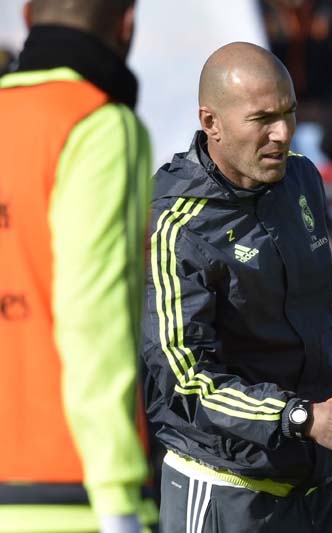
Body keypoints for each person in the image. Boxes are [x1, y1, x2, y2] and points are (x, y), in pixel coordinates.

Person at [140, 42, 332, 533]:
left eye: (289, 114)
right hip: (228, 490)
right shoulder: (176, 224)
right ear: (211, 122)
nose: (282, 134)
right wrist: (306, 419)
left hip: (320, 481)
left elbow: (312, 330)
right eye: (262, 118)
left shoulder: (302, 177)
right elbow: (183, 380)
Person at [0, 1, 156, 532]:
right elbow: (96, 316)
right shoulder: (99, 123)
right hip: (72, 490)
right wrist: (118, 503)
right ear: (127, 24)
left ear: (26, 17)